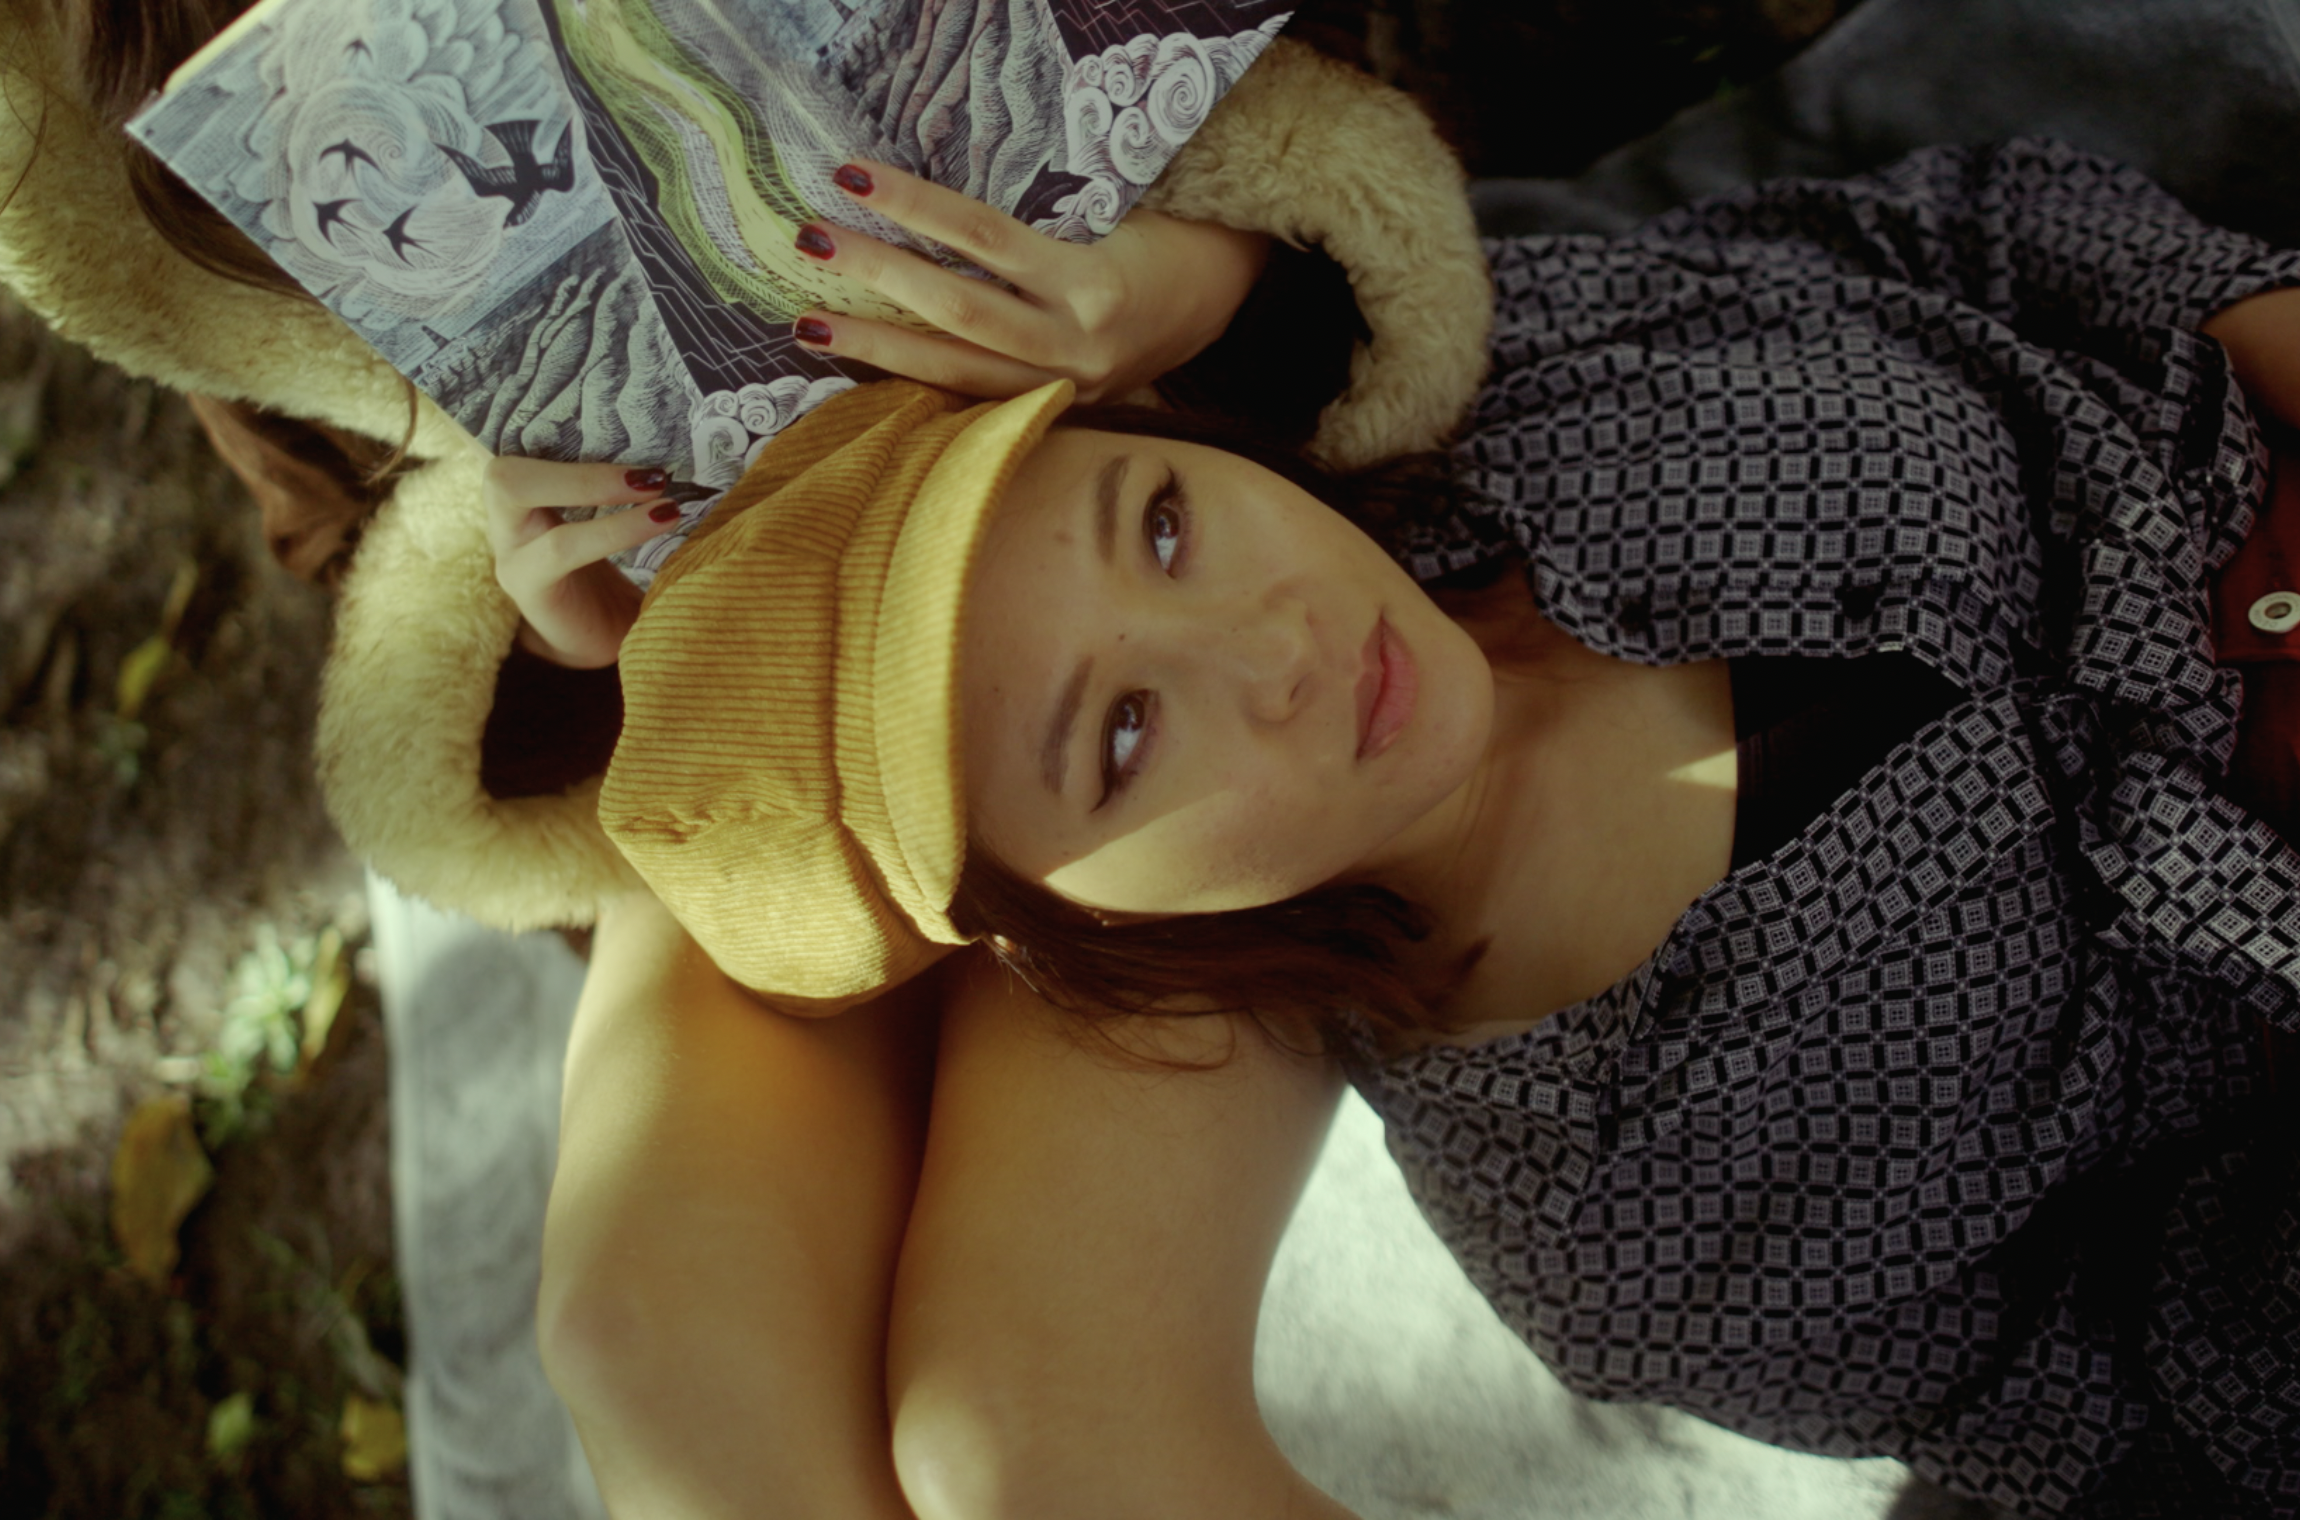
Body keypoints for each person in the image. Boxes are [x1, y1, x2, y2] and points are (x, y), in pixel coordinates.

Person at [501, 138, 2300, 1520]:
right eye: (1124, 735)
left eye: (1165, 527)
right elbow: (2136, 1403)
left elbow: (1954, 234)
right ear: (1073, 934)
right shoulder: (1627, 1237)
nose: (1276, 647)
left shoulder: (1517, 390)